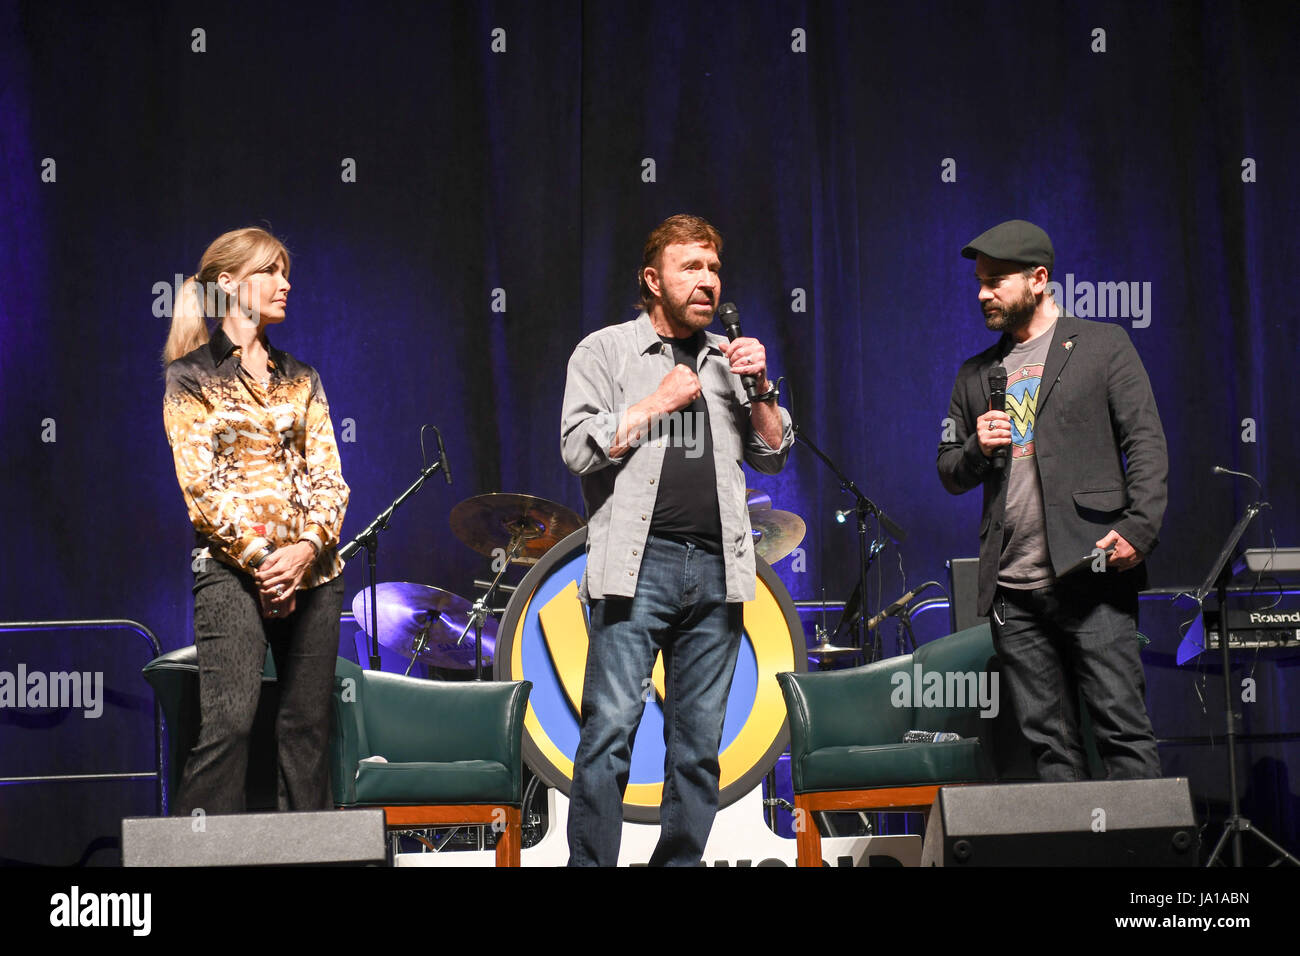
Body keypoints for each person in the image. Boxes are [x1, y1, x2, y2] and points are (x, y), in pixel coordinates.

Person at [560, 214, 793, 865]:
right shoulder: (604, 352)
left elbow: (775, 454)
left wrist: (762, 389)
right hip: (637, 568)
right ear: (652, 278)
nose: (707, 280)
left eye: (714, 268)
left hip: (719, 572)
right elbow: (578, 449)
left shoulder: (729, 359)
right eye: (691, 267)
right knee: (608, 736)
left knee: (698, 748)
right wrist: (656, 402)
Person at [937, 219, 1167, 781]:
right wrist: (975, 446)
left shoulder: (1103, 345)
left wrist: (1139, 527)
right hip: (1014, 594)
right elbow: (947, 469)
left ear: (1039, 279)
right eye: (979, 282)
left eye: (995, 281)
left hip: (1090, 575)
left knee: (1123, 736)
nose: (982, 293)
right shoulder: (975, 375)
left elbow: (1146, 441)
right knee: (1051, 752)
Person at [161, 227, 350, 813]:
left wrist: (302, 555)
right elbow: (203, 491)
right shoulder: (191, 378)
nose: (285, 283)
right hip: (230, 574)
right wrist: (268, 564)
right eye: (270, 270)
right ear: (228, 284)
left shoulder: (302, 377)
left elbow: (331, 480)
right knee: (229, 728)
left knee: (306, 733)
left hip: (313, 573)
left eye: (285, 271)